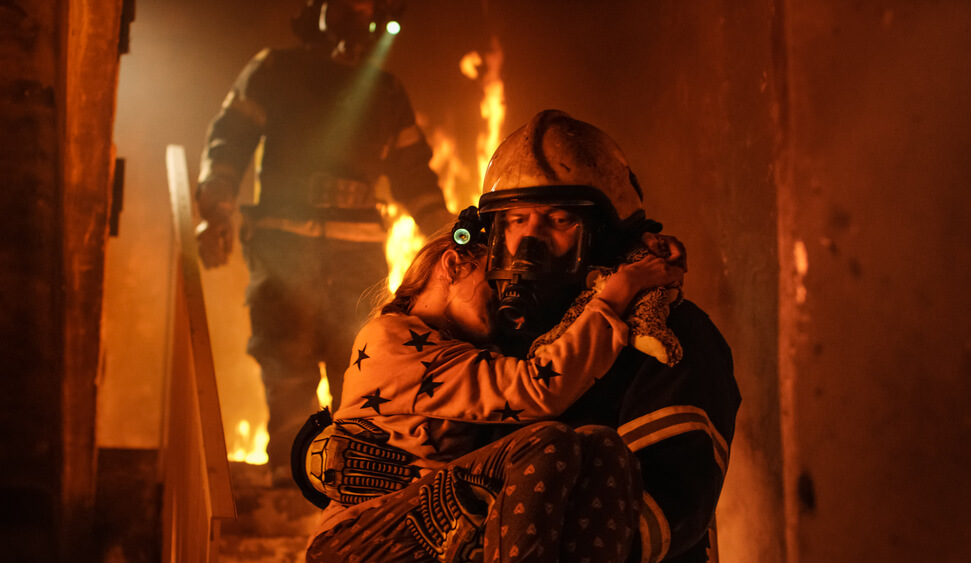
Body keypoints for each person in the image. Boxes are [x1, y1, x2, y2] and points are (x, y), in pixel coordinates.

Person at [301, 109, 740, 562]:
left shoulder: (671, 335)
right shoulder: (491, 335)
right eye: (514, 222)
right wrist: (323, 460)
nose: (530, 246)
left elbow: (665, 513)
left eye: (559, 221)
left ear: (605, 234)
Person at [298, 227, 683, 562]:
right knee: (547, 443)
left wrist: (638, 249)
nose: (504, 299)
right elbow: (539, 389)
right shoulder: (391, 338)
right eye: (494, 282)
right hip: (359, 542)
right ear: (453, 265)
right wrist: (617, 293)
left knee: (602, 446)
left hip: (434, 526)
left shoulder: (462, 351)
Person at [194, 0, 452, 483]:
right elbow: (228, 140)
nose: (352, 14)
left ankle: (349, 484)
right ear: (314, 9)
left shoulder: (385, 91)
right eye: (341, 4)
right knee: (286, 364)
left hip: (356, 258)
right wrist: (216, 207)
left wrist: (452, 235)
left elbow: (415, 176)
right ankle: (293, 484)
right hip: (283, 249)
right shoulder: (275, 69)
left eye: (363, 5)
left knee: (357, 368)